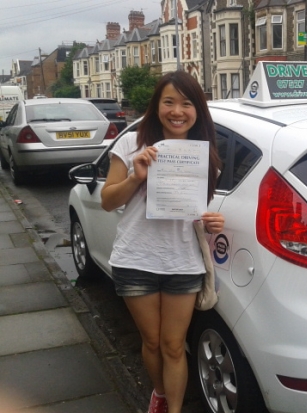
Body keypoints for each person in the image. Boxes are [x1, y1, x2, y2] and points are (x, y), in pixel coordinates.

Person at [101, 71, 224, 413]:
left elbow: (198, 212)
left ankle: (173, 409)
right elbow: (108, 201)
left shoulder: (206, 157)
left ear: (197, 109)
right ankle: (159, 392)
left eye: (186, 103)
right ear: (157, 106)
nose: (177, 111)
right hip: (135, 259)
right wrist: (134, 177)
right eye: (168, 102)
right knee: (152, 342)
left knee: (173, 346)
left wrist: (212, 221)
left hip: (182, 261)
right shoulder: (131, 145)